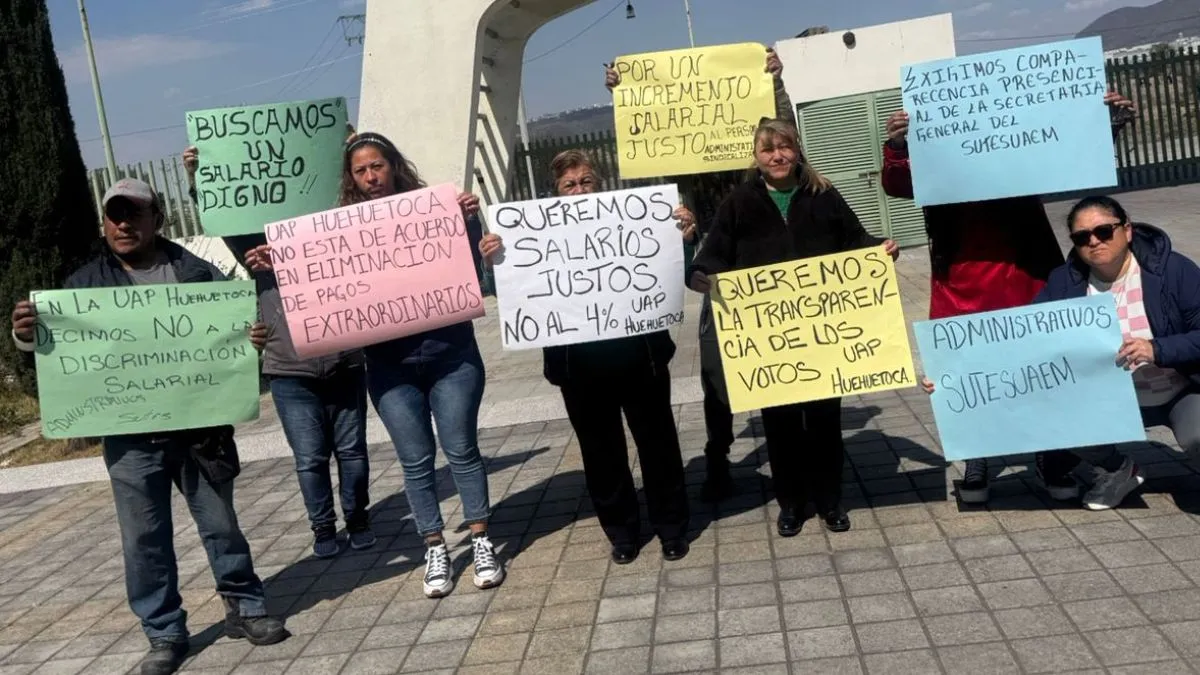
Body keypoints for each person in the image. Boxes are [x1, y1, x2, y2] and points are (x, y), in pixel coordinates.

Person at [9, 178, 288, 675]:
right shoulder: (80, 288)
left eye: (133, 213)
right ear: (103, 223)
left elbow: (234, 348)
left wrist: (252, 341)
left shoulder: (197, 274)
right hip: (131, 441)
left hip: (201, 433)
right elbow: (51, 360)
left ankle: (245, 607)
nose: (123, 223)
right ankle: (163, 632)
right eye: (114, 214)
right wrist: (26, 336)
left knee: (222, 525)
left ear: (155, 219)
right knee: (143, 540)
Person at [247, 132, 502, 599]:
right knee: (416, 462)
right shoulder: (338, 230)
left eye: (377, 166)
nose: (370, 177)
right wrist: (275, 264)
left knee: (462, 451)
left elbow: (474, 271)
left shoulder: (433, 210)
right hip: (390, 369)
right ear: (351, 178)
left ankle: (482, 539)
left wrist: (471, 226)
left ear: (393, 166)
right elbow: (314, 279)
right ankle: (435, 546)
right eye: (361, 170)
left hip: (452, 358)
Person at [881, 92, 1137, 504]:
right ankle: (977, 459)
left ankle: (1052, 458)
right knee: (965, 370)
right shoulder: (934, 158)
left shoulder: (1020, 148)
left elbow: (1070, 153)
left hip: (1026, 271)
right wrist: (897, 147)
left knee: (1045, 368)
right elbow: (898, 185)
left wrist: (1106, 121)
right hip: (961, 277)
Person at [478, 149, 692, 564]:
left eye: (586, 182)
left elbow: (671, 271)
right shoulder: (535, 236)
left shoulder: (630, 218)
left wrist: (681, 237)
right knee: (600, 453)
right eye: (568, 185)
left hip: (641, 358)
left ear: (600, 184)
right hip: (578, 370)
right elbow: (511, 291)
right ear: (555, 192)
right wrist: (495, 262)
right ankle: (623, 532)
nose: (578, 190)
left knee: (659, 444)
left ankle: (671, 527)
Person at [688, 118, 900, 537]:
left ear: (797, 149)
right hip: (771, 344)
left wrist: (880, 249)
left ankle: (830, 501)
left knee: (824, 422)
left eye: (784, 147)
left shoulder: (823, 194)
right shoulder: (738, 202)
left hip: (821, 336)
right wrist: (699, 275)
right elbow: (713, 254)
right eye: (768, 150)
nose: (777, 156)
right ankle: (791, 504)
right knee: (780, 426)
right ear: (757, 156)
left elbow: (855, 240)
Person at [604, 47, 796, 502]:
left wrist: (775, 84)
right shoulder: (683, 167)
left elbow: (783, 137)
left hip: (768, 276)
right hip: (720, 280)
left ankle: (794, 456)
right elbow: (642, 142)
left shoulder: (753, 167)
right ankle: (718, 455)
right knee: (716, 375)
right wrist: (624, 96)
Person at [183, 146, 374, 559]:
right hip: (290, 371)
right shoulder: (255, 249)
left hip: (345, 360)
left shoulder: (334, 233)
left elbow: (367, 227)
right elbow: (223, 215)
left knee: (353, 451)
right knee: (309, 458)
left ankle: (358, 518)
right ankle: (323, 527)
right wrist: (201, 179)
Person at [975, 196, 1199, 511]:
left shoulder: (1174, 271)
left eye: (1104, 231)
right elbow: (1024, 340)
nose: (1094, 241)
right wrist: (955, 375)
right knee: (1047, 412)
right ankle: (1118, 470)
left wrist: (1157, 348)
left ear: (1127, 230)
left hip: (1179, 388)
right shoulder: (1064, 282)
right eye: (1082, 237)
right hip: (1108, 397)